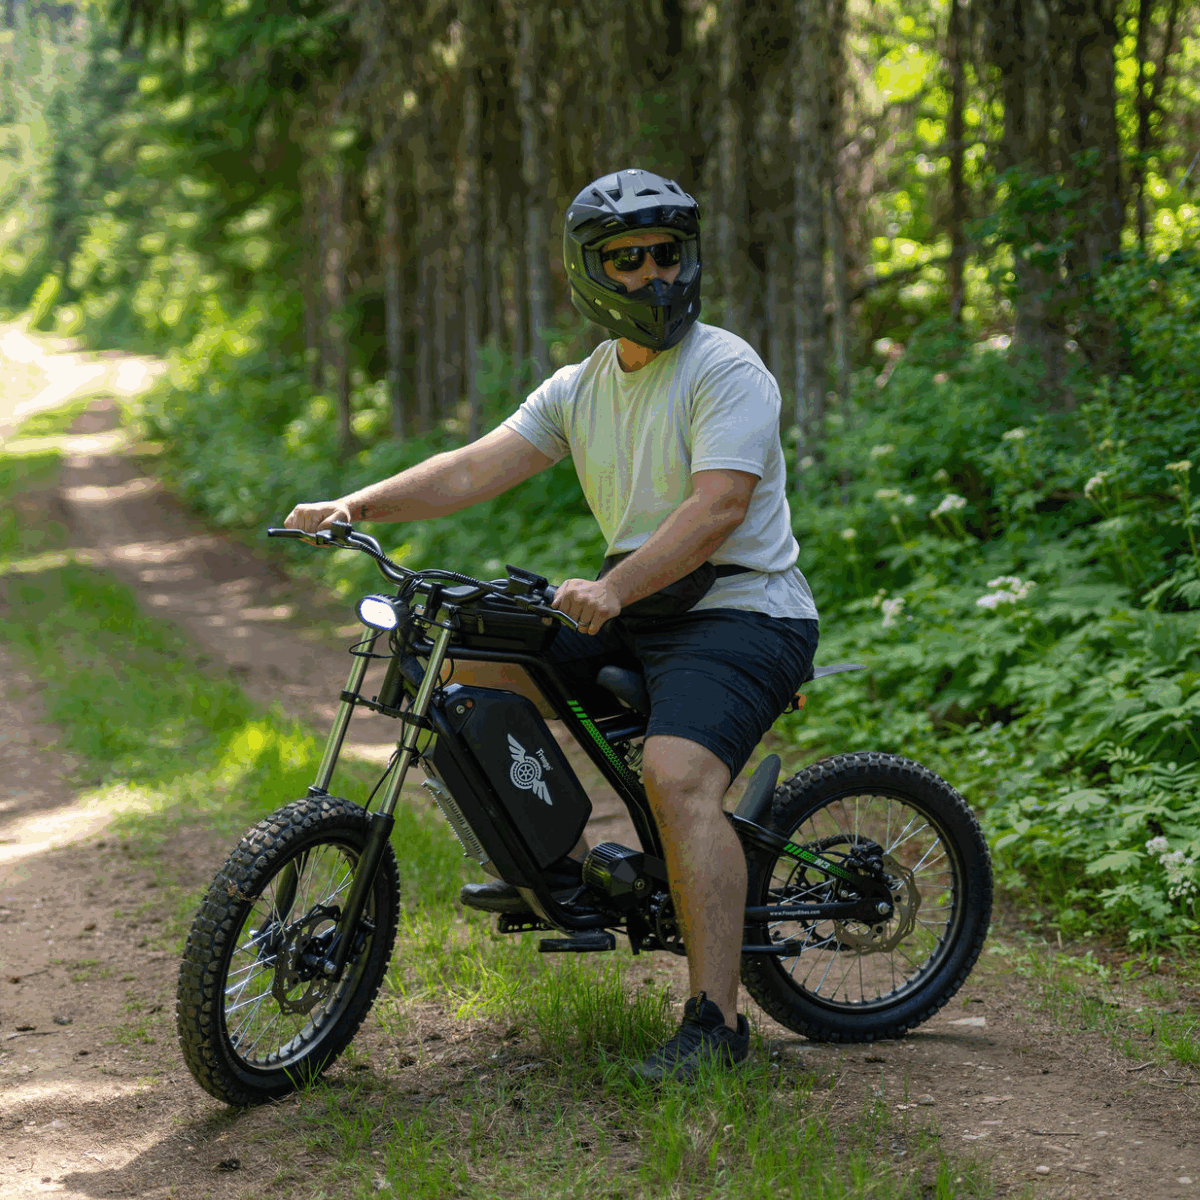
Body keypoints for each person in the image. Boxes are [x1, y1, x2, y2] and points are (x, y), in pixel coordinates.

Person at [284, 168, 819, 1082]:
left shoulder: (726, 368)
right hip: (642, 602)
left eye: (666, 254)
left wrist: (615, 588)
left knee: (676, 776)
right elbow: (471, 468)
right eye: (627, 258)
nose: (653, 275)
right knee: (468, 668)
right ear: (590, 272)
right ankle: (562, 868)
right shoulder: (580, 387)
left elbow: (718, 509)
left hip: (742, 610)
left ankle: (717, 1025)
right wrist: (355, 504)